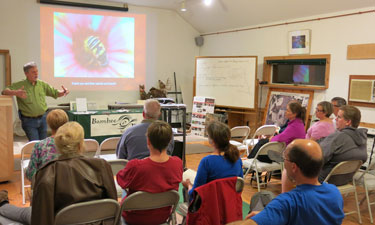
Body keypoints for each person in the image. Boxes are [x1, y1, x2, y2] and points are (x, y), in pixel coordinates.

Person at [0, 122, 117, 225]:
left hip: (58, 221)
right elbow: (112, 205)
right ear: (81, 144)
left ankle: (2, 203)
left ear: (57, 145)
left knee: (24, 213)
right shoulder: (102, 166)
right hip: (97, 221)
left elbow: (41, 219)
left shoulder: (46, 173)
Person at [228, 139, 345, 225]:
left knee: (260, 198)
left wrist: (266, 216)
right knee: (263, 196)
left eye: (285, 159)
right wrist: (267, 216)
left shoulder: (287, 203)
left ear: (294, 167)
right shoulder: (334, 192)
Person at [116, 120, 183, 225]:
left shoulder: (135, 166)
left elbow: (120, 181)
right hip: (162, 217)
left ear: (148, 142)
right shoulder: (178, 164)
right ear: (170, 141)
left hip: (133, 218)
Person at [1, 62, 69, 141]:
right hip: (29, 121)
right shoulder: (20, 85)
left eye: (37, 71)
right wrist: (15, 92)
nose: (36, 74)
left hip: (43, 119)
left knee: (43, 142)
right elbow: (4, 91)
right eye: (33, 72)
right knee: (35, 144)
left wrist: (63, 92)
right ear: (26, 73)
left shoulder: (42, 84)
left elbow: (55, 93)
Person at [182, 121, 243, 201]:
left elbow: (196, 193)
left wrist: (189, 185)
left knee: (185, 188)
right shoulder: (237, 159)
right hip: (229, 203)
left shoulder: (207, 161)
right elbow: (239, 186)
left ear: (212, 141)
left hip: (210, 204)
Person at [318, 105, 367, 185]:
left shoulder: (338, 137)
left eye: (339, 117)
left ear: (348, 122)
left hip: (324, 180)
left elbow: (318, 158)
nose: (335, 119)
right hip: (345, 180)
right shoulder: (362, 138)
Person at [25, 109, 68, 181]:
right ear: (66, 123)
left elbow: (30, 174)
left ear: (48, 123)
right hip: (69, 187)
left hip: (45, 187)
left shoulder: (39, 145)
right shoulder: (73, 144)